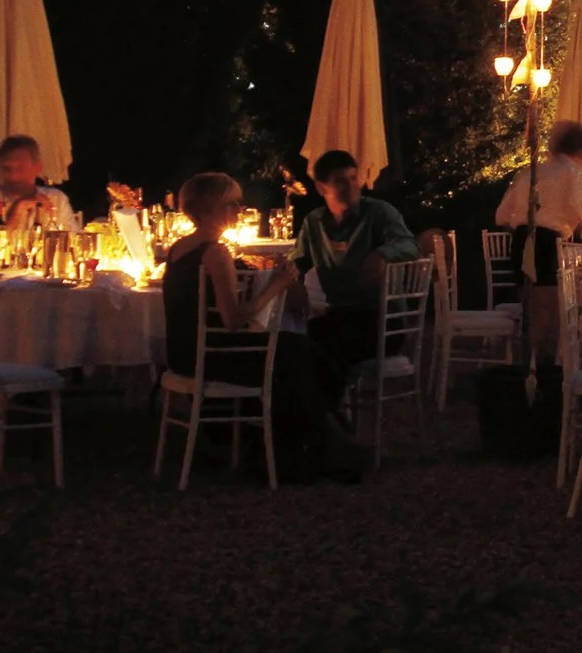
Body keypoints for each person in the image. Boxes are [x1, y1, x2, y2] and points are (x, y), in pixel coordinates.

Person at [162, 171, 349, 483]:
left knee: (294, 350)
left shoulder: (179, 247)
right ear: (209, 207)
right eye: (231, 203)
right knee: (298, 353)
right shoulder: (215, 252)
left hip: (182, 351)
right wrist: (277, 286)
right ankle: (303, 446)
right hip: (208, 356)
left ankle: (300, 441)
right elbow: (233, 320)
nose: (239, 210)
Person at [289, 150, 419, 438]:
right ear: (321, 187)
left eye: (353, 178)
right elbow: (296, 261)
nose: (351, 186)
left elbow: (410, 245)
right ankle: (322, 425)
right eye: (340, 181)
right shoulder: (314, 223)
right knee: (296, 344)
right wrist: (293, 281)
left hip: (383, 322)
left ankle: (322, 428)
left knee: (324, 346)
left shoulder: (379, 213)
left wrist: (382, 254)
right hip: (340, 316)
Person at [494, 121, 582, 361]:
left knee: (531, 311)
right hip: (546, 242)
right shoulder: (573, 172)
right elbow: (573, 208)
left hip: (521, 241)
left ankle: (525, 367)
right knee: (548, 312)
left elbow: (501, 215)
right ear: (581, 149)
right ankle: (537, 370)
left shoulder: (528, 173)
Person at [0, 134, 76, 234]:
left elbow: (73, 240)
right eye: (7, 169)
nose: (13, 175)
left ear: (37, 168)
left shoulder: (56, 200)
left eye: (20, 168)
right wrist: (18, 208)